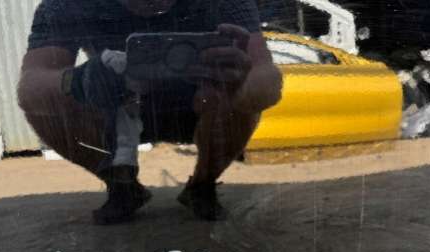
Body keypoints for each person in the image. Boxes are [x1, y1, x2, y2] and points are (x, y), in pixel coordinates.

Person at [18, 0, 283, 223]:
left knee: (240, 97)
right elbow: (30, 89)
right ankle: (123, 185)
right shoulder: (68, 4)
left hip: (197, 106)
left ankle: (202, 183)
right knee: (44, 108)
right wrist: (78, 81)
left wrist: (240, 86)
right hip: (120, 109)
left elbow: (266, 79)